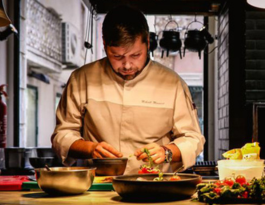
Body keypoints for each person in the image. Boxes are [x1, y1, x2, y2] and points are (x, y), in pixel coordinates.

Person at [51, 5, 205, 174]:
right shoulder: (82, 79)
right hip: (98, 185)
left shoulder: (172, 83)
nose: (127, 65)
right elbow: (63, 134)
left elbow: (193, 138)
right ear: (104, 44)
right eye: (117, 56)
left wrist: (166, 152)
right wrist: (90, 149)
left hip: (154, 185)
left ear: (147, 43)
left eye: (135, 55)